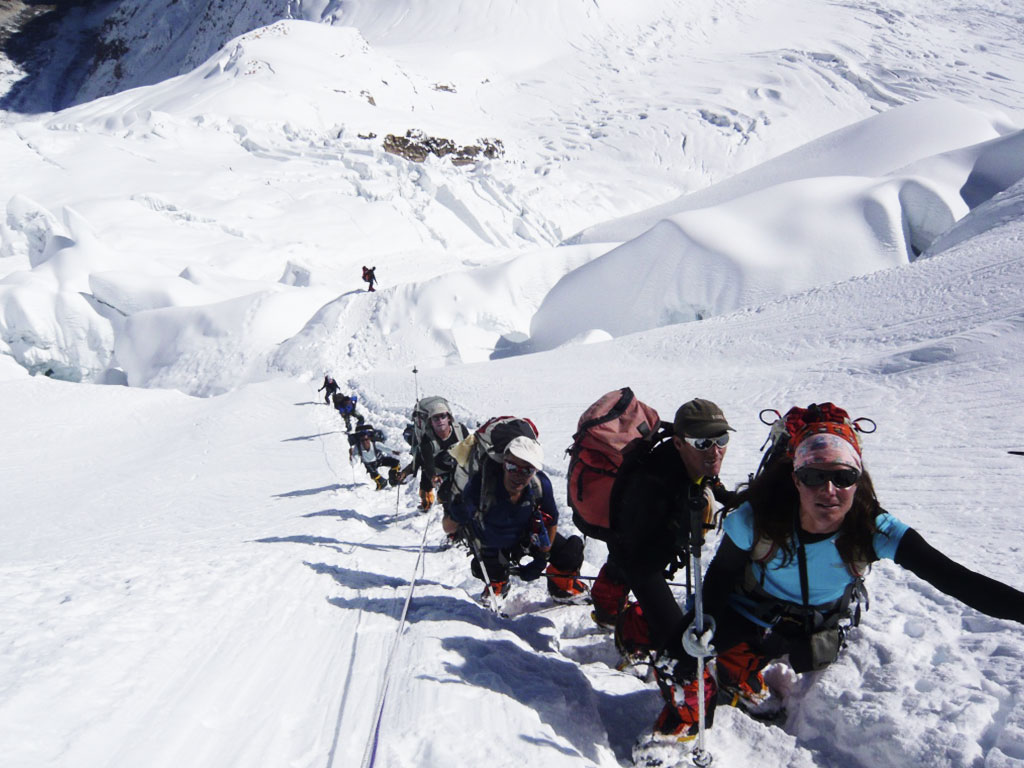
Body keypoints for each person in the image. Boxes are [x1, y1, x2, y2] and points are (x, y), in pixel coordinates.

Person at [656, 402, 1024, 744]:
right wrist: (695, 635)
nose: (829, 490)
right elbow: (718, 584)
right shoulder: (755, 520)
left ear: (857, 479)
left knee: (746, 653)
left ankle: (741, 672)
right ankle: (691, 719)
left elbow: (957, 579)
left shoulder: (874, 529)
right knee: (676, 657)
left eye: (843, 477)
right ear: (796, 479)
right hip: (751, 614)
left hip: (816, 626)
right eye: (814, 476)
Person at [591, 399, 737, 645]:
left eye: (721, 440)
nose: (715, 451)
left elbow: (710, 483)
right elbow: (634, 555)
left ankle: (616, 607)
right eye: (703, 443)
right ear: (679, 443)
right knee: (677, 642)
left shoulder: (694, 461)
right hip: (639, 557)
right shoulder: (654, 484)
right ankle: (633, 634)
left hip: (648, 549)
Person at [444, 436, 588, 602]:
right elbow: (449, 526)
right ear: (503, 462)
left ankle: (561, 585)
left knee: (571, 553)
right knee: (486, 566)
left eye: (527, 470)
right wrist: (457, 513)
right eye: (512, 466)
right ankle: (497, 582)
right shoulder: (482, 484)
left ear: (535, 471)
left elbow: (552, 521)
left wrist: (543, 557)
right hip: (492, 539)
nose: (518, 475)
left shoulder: (540, 485)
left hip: (526, 535)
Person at [395, 399, 469, 512]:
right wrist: (433, 477)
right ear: (431, 422)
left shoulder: (460, 430)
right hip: (436, 468)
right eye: (435, 418)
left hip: (456, 466)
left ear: (449, 418)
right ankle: (426, 503)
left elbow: (470, 449)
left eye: (443, 416)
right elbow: (428, 464)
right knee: (426, 486)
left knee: (449, 493)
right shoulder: (427, 441)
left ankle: (443, 501)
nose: (440, 420)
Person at [349, 426, 401, 491]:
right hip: (369, 465)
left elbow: (384, 448)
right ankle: (382, 483)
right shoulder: (357, 447)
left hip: (379, 460)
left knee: (396, 463)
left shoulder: (374, 444)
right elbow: (354, 461)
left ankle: (393, 479)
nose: (365, 442)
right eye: (362, 440)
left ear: (369, 439)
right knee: (375, 475)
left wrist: (393, 451)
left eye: (366, 439)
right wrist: (351, 456)